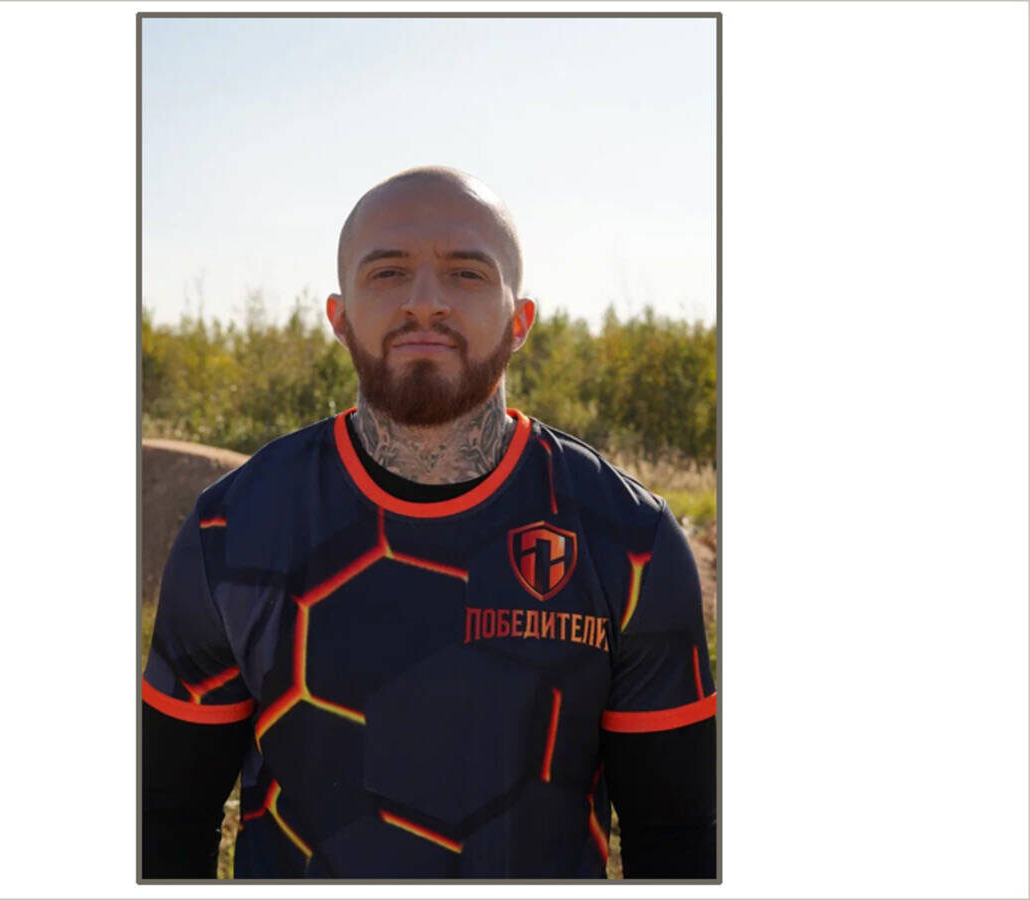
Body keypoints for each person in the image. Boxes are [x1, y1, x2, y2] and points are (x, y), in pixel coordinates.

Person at [141, 166, 717, 879]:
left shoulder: (629, 539)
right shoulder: (231, 530)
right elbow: (166, 819)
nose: (424, 301)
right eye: (387, 272)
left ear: (520, 321)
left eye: (466, 273)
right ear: (339, 317)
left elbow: (678, 836)